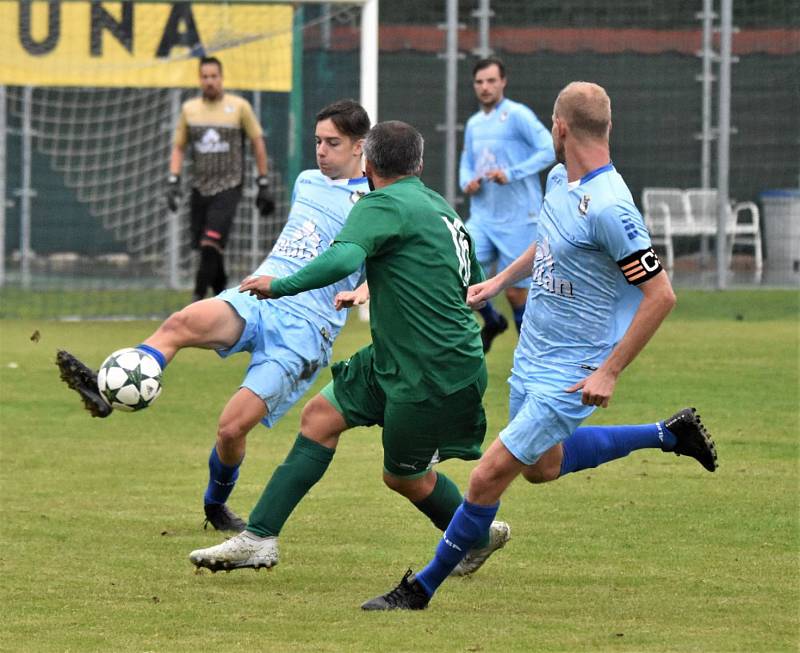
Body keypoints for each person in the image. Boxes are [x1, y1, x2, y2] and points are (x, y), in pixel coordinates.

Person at [361, 82, 718, 610]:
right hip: (532, 354)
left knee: (487, 477)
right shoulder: (558, 179)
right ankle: (669, 434)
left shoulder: (612, 209)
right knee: (541, 466)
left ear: (560, 127)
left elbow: (661, 295)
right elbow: (548, 240)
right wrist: (499, 281)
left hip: (573, 369)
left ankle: (420, 589)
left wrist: (610, 371)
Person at [186, 120, 511, 576]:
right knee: (320, 418)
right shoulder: (441, 208)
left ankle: (476, 534)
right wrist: (382, 290)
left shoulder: (379, 203)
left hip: (430, 369)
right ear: (418, 164)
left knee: (402, 476)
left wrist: (280, 286)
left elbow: (343, 258)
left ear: (370, 163)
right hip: (400, 358)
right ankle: (259, 538)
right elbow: (468, 284)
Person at [57, 99, 372, 533]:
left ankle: (215, 504)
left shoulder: (374, 203)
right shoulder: (306, 181)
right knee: (178, 325)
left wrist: (361, 291)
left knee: (229, 429)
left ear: (359, 147)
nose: (320, 151)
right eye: (317, 141)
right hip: (259, 296)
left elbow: (384, 268)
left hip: (305, 329)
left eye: (332, 143)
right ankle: (107, 388)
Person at [460, 56, 555, 352]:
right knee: (457, 271)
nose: (485, 87)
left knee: (516, 292)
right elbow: (466, 163)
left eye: (491, 80)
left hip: (519, 217)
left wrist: (512, 173)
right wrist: (467, 182)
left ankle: (532, 354)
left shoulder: (518, 115)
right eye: (479, 82)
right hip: (483, 216)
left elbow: (549, 149)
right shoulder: (474, 123)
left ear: (503, 82)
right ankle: (492, 320)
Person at [166, 56, 276, 302]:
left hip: (229, 186)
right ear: (199, 79)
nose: (210, 81)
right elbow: (179, 147)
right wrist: (174, 180)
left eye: (214, 76)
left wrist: (263, 181)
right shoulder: (190, 109)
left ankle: (196, 300)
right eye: (205, 77)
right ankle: (223, 299)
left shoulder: (239, 107)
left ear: (222, 78)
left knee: (209, 243)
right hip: (199, 187)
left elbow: (258, 142)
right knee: (210, 250)